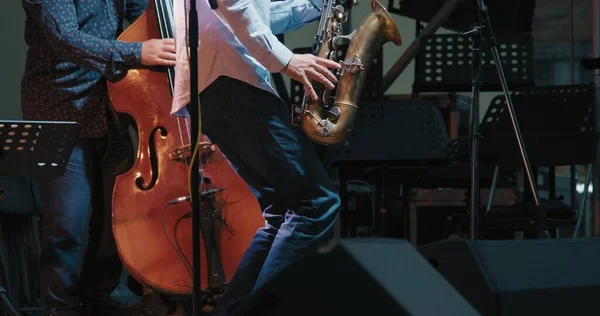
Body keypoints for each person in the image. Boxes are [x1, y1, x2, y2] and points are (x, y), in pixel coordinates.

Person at [171, 0, 342, 314]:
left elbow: (254, 12)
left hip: (216, 82)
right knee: (315, 205)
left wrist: (316, 6)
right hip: (230, 80)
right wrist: (287, 60)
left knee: (282, 211)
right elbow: (233, 5)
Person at [20, 1, 177, 315]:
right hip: (61, 113)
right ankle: (61, 308)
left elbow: (142, 12)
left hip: (110, 112)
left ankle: (99, 299)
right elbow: (65, 38)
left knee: (115, 222)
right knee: (66, 225)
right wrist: (137, 53)